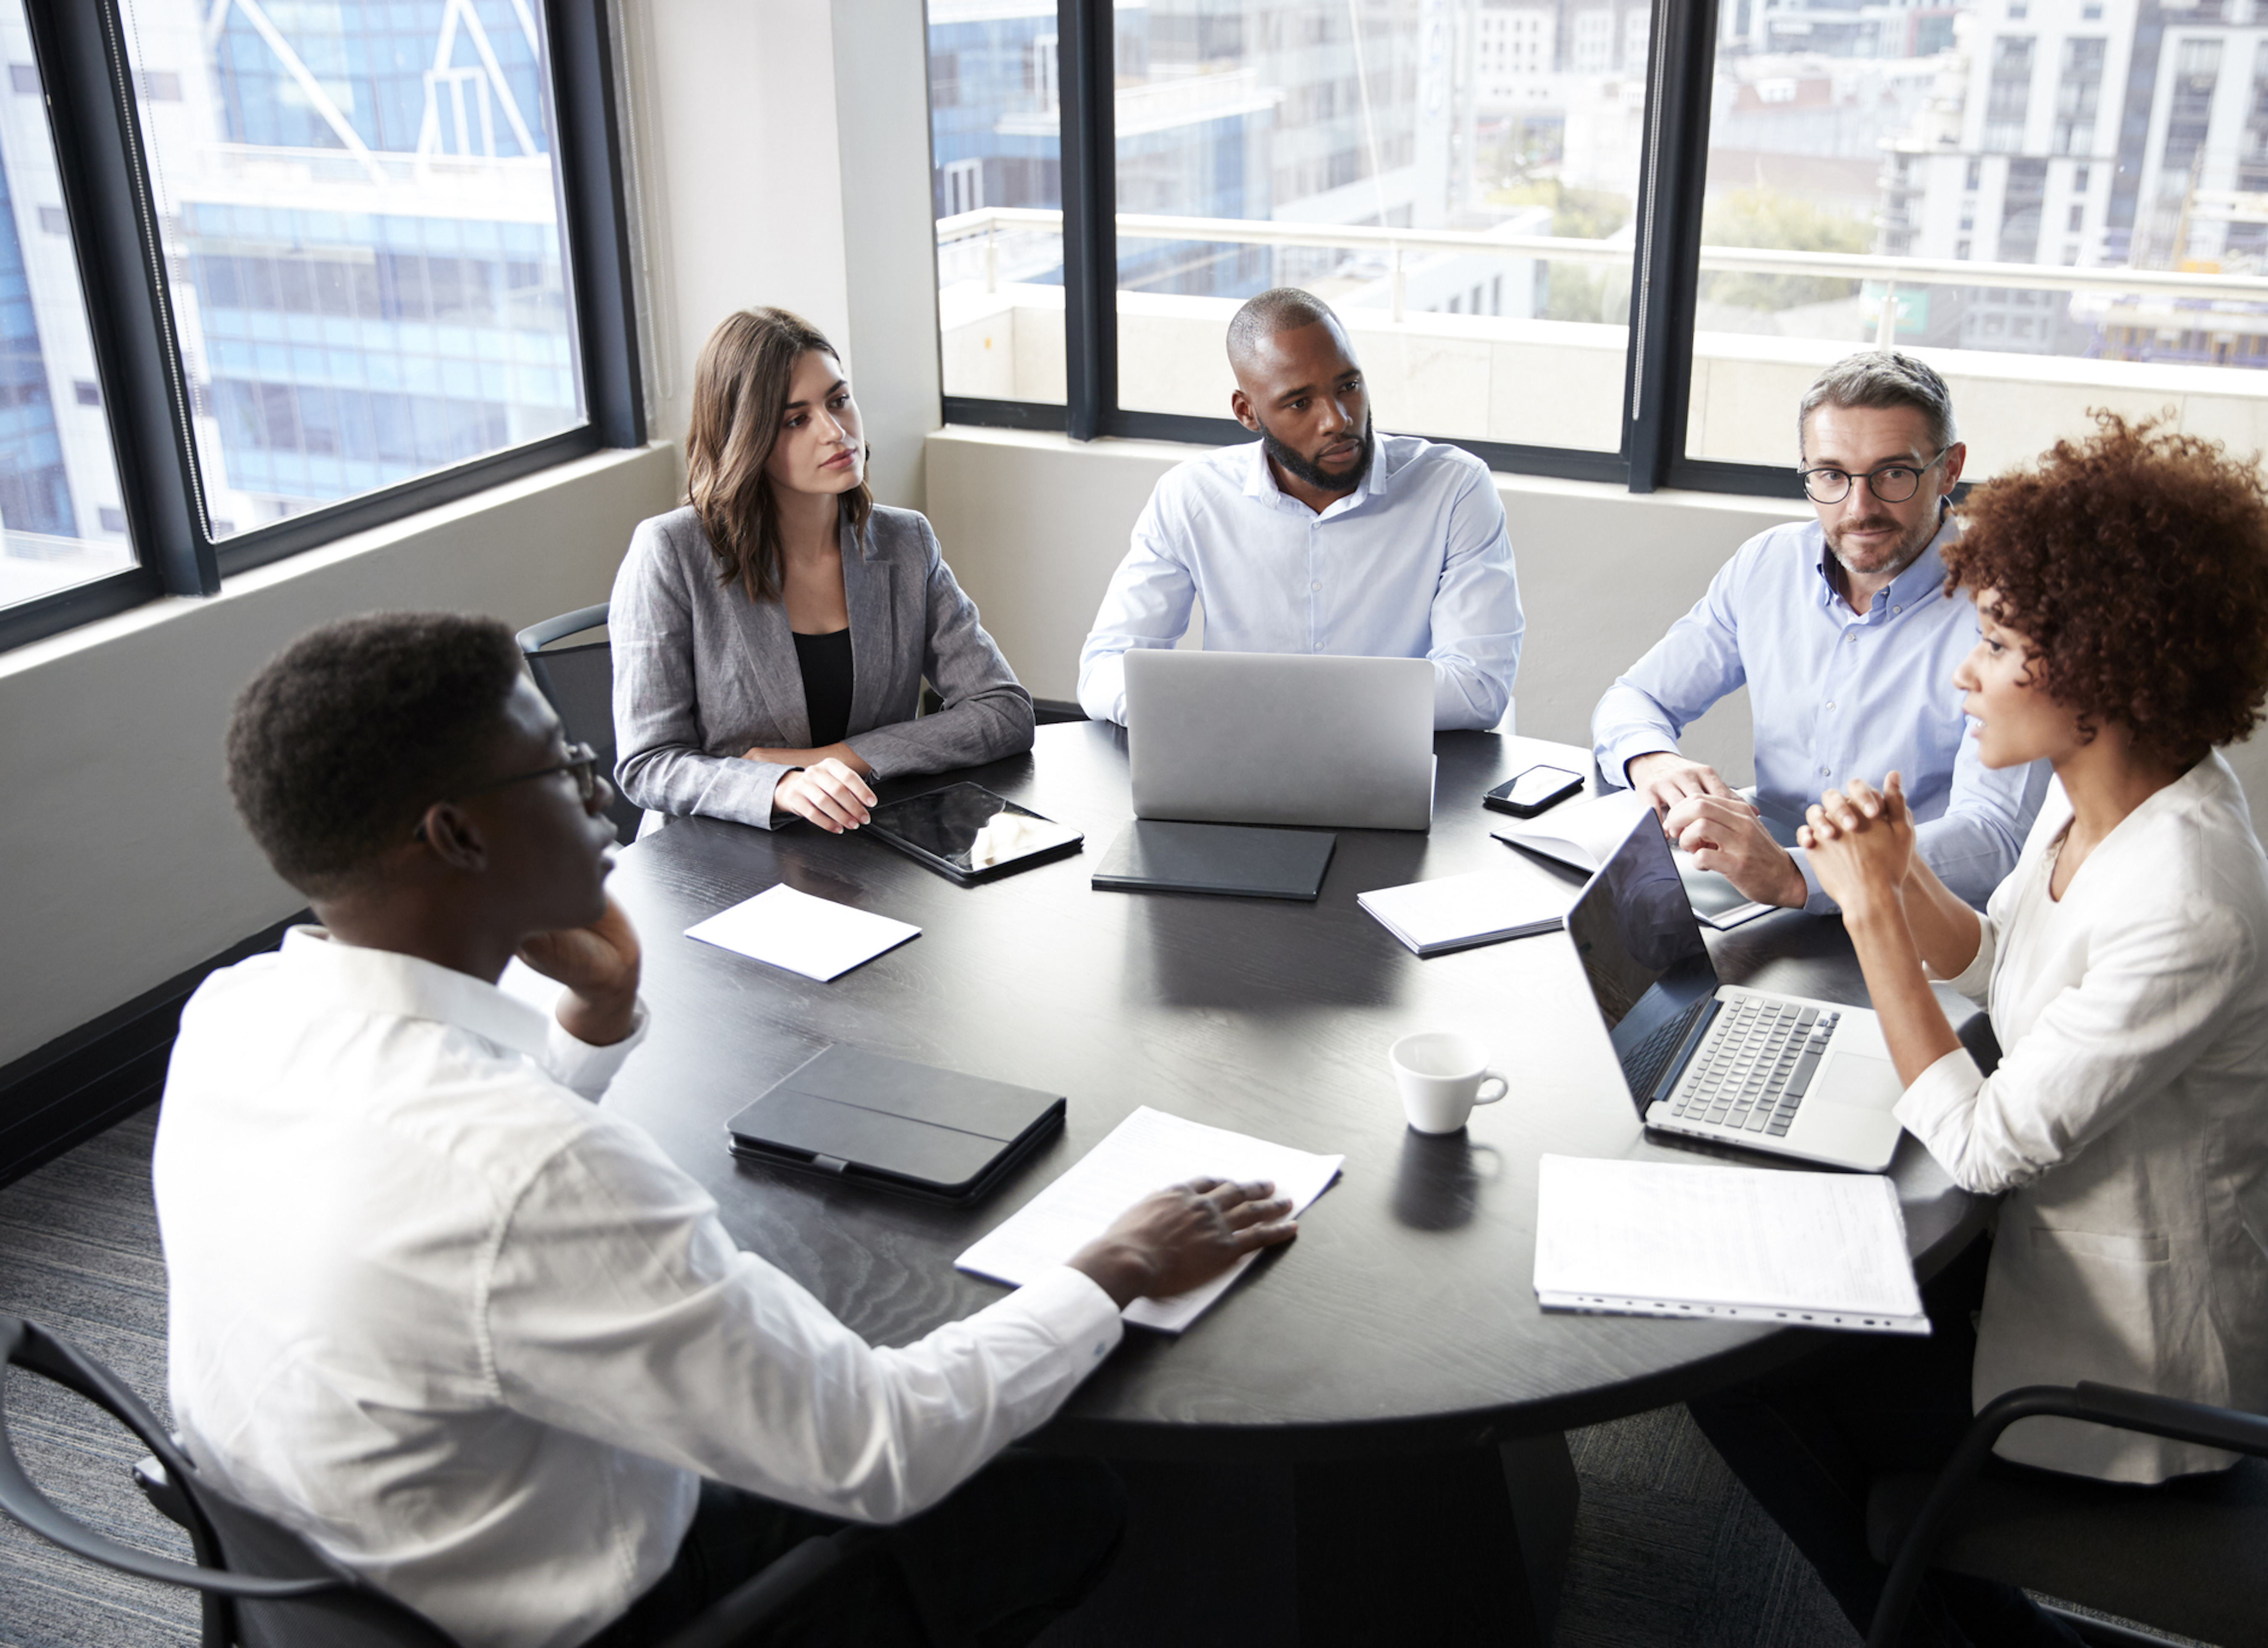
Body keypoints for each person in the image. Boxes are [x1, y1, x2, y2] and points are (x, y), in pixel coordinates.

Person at [159, 612, 1300, 1648]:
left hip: (355, 1572)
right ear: (456, 837)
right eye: (561, 765)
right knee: (1064, 1494)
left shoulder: (235, 1016)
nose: (598, 791)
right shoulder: (542, 1176)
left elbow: (458, 1198)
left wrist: (599, 1021)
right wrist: (1113, 1261)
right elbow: (884, 1449)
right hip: (601, 1609)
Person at [1686, 414, 2268, 1647]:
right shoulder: (2112, 794)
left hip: (2134, 1365)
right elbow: (1994, 961)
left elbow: (1976, 1148)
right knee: (1785, 1329)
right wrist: (1902, 871)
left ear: (2102, 668)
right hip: (2056, 1258)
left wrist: (1865, 914)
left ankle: (1959, 1630)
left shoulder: (2186, 900)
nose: (1960, 673)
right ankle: (1965, 1616)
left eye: (1993, 643)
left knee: (1744, 1378)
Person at [1590, 350, 2048, 914]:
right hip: (1759, 902)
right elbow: (1634, 698)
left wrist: (1796, 876)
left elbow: (1996, 839)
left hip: (1920, 925)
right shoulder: (1767, 565)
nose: (1859, 508)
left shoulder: (2009, 607)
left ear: (1949, 469)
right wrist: (1654, 761)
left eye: (1893, 474)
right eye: (1830, 475)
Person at [614, 306, 1034, 837]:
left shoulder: (907, 543)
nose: (836, 431)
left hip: (862, 838)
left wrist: (832, 759)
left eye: (838, 400)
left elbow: (1004, 711)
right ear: (745, 438)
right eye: (796, 419)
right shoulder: (671, 553)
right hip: (714, 855)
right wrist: (779, 786)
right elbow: (648, 762)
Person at [1076, 287, 1524, 729]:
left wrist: (1254, 706)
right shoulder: (1191, 497)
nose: (1338, 420)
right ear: (1247, 412)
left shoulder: (1455, 487)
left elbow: (1478, 687)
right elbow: (1104, 671)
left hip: (1414, 768)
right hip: (1242, 768)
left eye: (1348, 386)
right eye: (1299, 402)